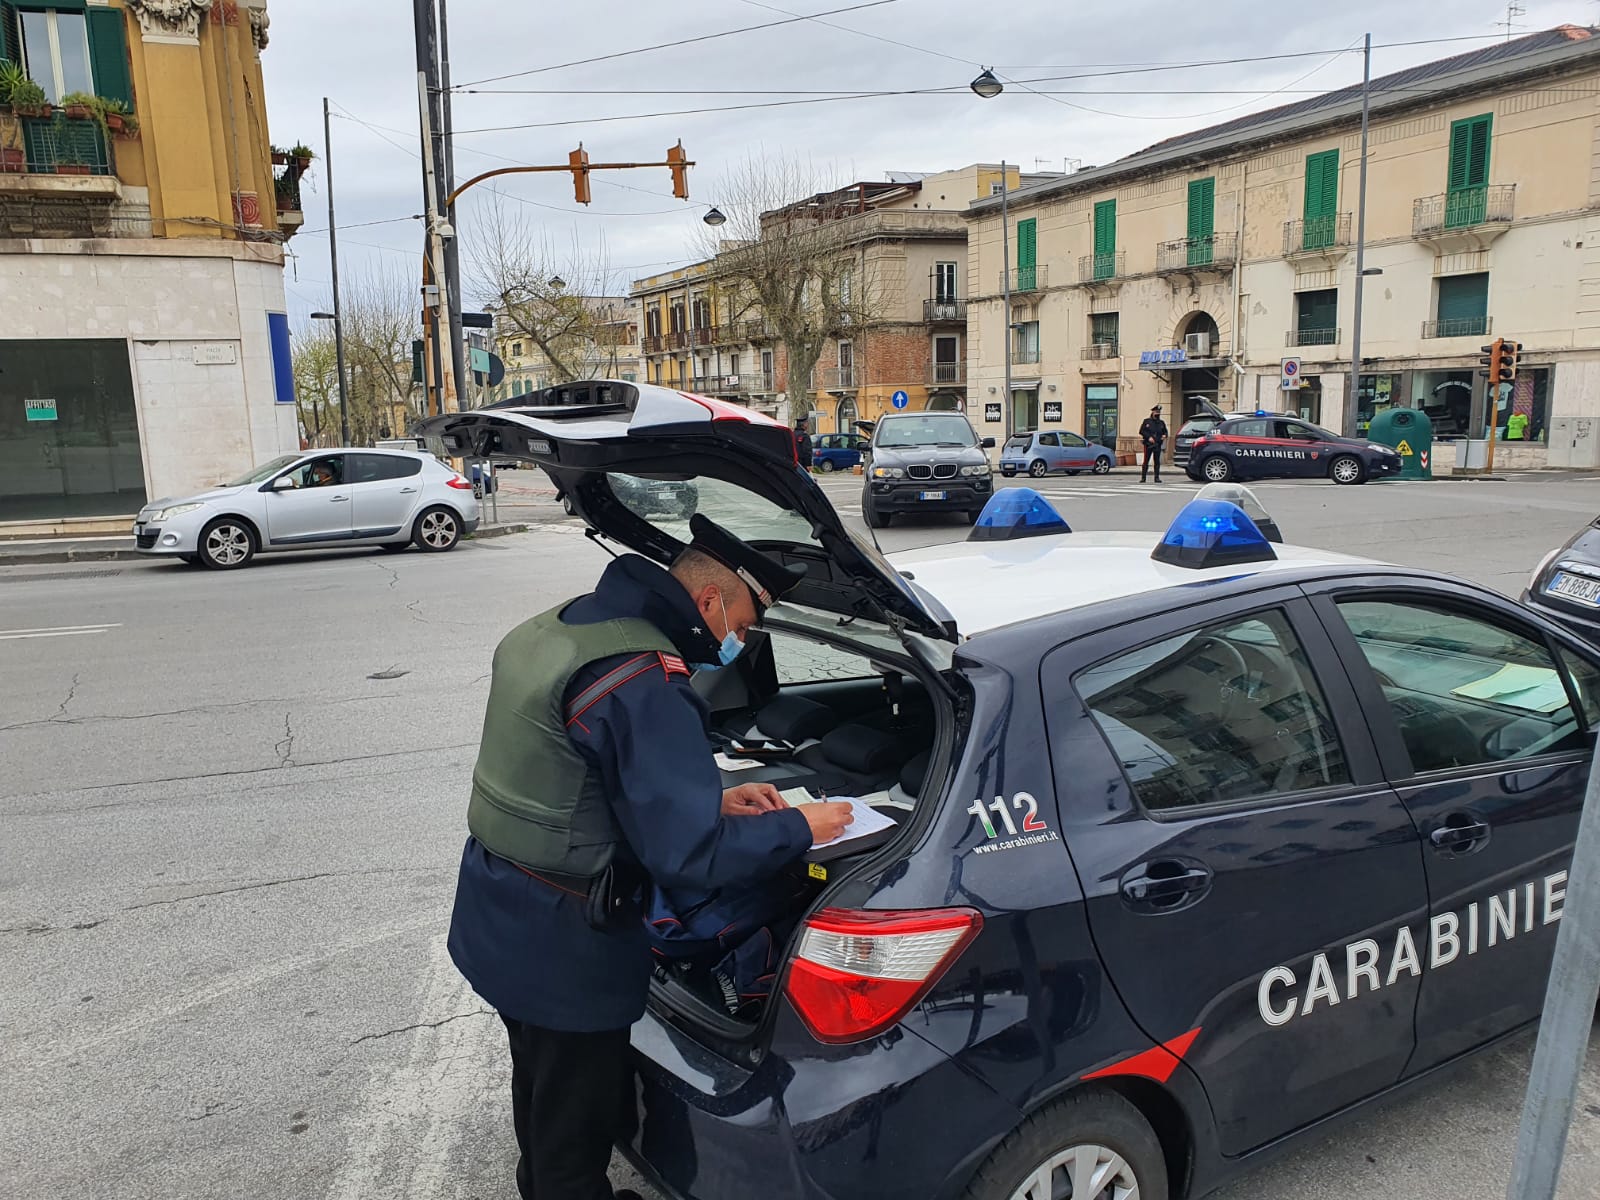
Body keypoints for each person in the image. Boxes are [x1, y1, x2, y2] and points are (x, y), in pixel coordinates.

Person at [447, 513, 854, 1200]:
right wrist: (803, 828)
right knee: (577, 1122)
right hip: (566, 944)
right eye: (746, 623)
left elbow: (577, 769)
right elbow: (688, 859)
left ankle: (538, 1182)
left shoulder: (572, 625)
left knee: (542, 1087)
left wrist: (714, 799)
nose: (742, 640)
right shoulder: (644, 677)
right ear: (708, 602)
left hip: (499, 908)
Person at [1139, 405, 1169, 483]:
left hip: (1157, 444)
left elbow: (1165, 431)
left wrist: (1164, 435)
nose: (1157, 414)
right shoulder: (1147, 421)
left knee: (1157, 461)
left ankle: (1157, 477)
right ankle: (1143, 477)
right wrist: (1149, 437)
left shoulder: (1161, 423)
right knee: (1146, 461)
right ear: (1152, 412)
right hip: (1148, 444)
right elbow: (1142, 431)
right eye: (1156, 412)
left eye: (1158, 412)